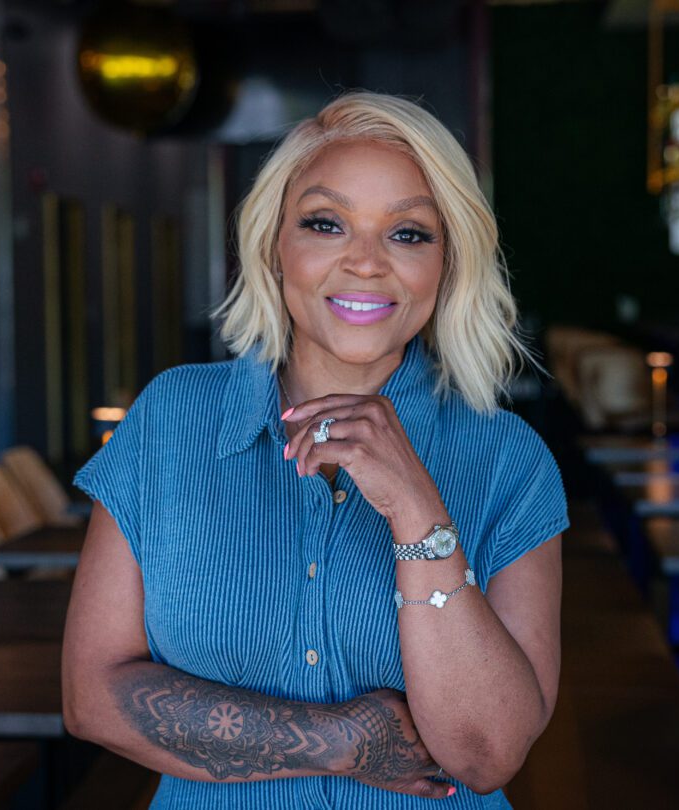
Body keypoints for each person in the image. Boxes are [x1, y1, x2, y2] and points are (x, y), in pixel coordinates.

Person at [62, 90, 568, 809]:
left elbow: (487, 755)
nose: (365, 263)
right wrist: (346, 742)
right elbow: (92, 697)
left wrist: (416, 509)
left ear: (449, 261)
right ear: (274, 245)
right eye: (325, 224)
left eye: (409, 234)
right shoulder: (170, 419)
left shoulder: (509, 459)